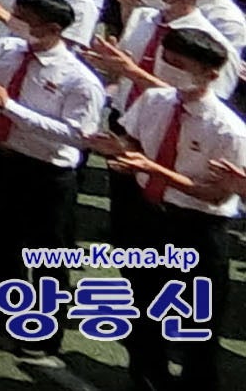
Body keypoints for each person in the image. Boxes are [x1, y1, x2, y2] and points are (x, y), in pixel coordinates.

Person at [0, 0, 112, 362]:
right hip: (0, 156)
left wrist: (9, 106)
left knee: (47, 255)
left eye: (26, 21)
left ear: (52, 30)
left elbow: (77, 136)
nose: (17, 24)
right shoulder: (6, 50)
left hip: (45, 173)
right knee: (0, 240)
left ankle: (45, 332)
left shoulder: (80, 80)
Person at [99, 21, 243, 390]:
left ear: (210, 74)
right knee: (143, 308)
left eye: (181, 65)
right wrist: (119, 151)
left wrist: (153, 168)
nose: (170, 71)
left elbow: (216, 195)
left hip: (196, 229)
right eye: (169, 60)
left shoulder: (227, 129)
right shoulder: (154, 100)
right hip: (149, 217)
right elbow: (132, 141)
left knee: (197, 324)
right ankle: (148, 379)